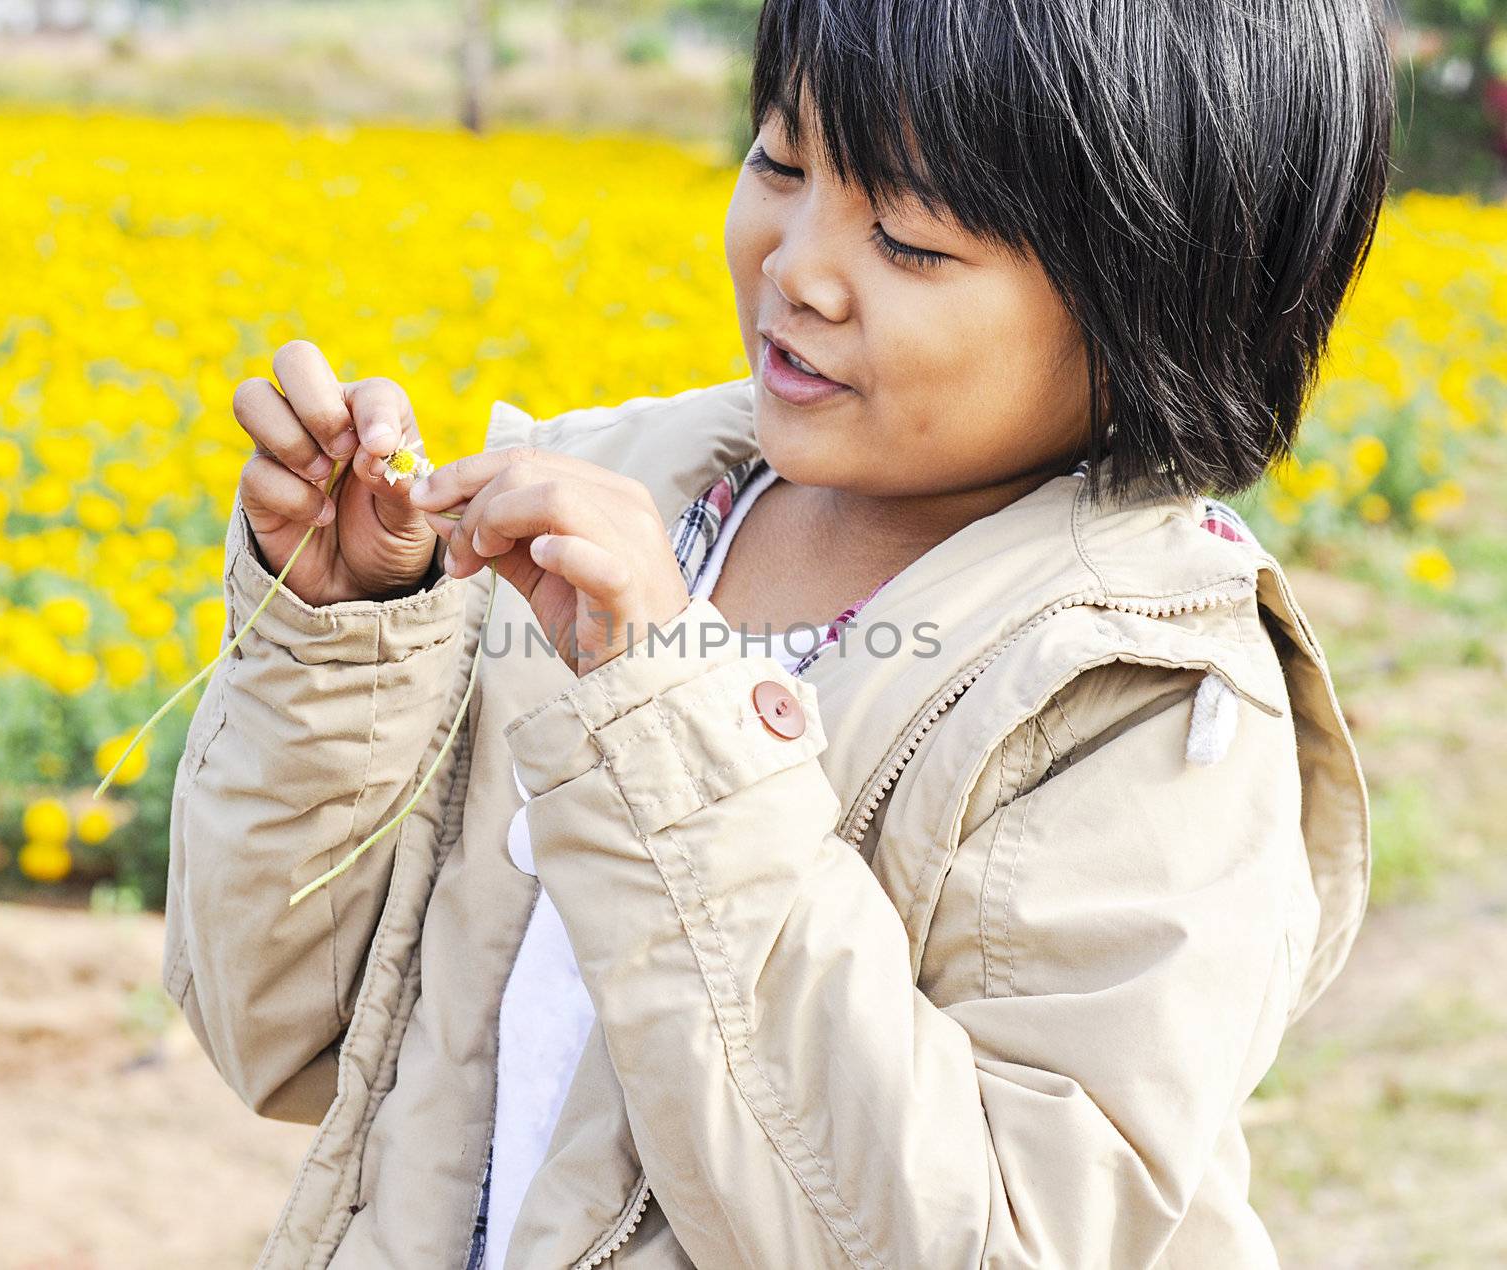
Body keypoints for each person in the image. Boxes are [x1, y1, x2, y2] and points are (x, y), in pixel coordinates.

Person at [164, 0, 1390, 1265]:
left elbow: (983, 1236)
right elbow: (294, 1030)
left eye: (908, 236)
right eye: (779, 163)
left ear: (1161, 294)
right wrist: (350, 629)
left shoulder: (1146, 703)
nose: (794, 266)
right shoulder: (607, 499)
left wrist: (665, 716)